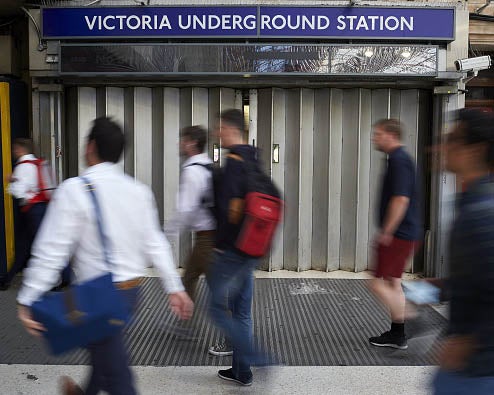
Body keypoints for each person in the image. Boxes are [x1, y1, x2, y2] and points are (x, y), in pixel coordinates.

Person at [16, 117, 193, 395]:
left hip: (95, 298)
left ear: (91, 146)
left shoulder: (74, 190)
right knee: (105, 356)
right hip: (130, 295)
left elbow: (52, 251)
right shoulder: (139, 191)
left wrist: (28, 296)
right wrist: (175, 287)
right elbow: (156, 243)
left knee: (119, 378)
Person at [432, 108, 494, 394]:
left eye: (453, 139)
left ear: (475, 150)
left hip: (476, 371)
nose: (443, 146)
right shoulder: (470, 202)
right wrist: (438, 288)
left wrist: (467, 342)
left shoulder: (481, 212)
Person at [208, 108, 267, 386]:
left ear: (231, 129)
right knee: (242, 311)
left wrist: (222, 246)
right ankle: (242, 371)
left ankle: (256, 359)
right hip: (252, 248)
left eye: (219, 128)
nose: (217, 133)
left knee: (217, 308)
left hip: (233, 250)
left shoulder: (233, 162)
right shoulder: (253, 158)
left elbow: (232, 209)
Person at [368, 118, 422, 350]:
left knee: (376, 283)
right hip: (406, 232)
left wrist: (387, 232)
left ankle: (415, 319)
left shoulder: (399, 161)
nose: (374, 138)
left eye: (378, 134)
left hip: (399, 233)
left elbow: (401, 199)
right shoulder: (399, 160)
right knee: (393, 283)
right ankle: (397, 334)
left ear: (391, 135)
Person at [0, 139, 49, 290]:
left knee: (38, 245)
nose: (14, 152)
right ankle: (7, 279)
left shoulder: (22, 166)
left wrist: (11, 181)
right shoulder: (38, 163)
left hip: (32, 211)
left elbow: (18, 191)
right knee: (26, 244)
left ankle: (64, 276)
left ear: (21, 149)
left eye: (15, 149)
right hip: (41, 208)